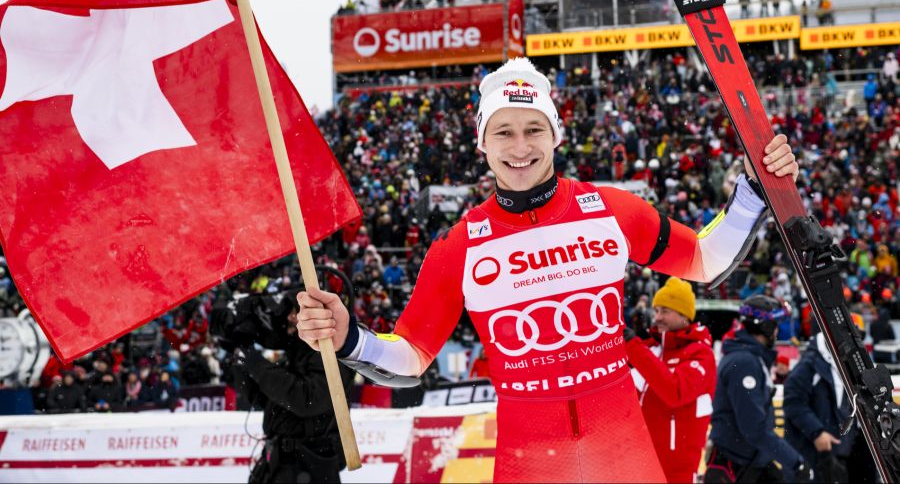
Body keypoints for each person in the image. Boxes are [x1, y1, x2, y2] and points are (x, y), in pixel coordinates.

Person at [298, 58, 800, 483]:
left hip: (624, 451)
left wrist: (757, 190)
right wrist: (349, 339)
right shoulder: (458, 248)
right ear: (483, 143)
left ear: (555, 134)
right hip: (530, 460)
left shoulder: (610, 210)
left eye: (534, 129)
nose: (521, 148)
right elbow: (411, 357)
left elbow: (706, 261)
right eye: (505, 132)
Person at [230, 291, 355, 484]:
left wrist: (257, 364)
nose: (289, 317)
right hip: (279, 462)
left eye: (296, 311)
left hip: (309, 464)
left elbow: (308, 400)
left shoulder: (331, 353)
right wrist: (241, 362)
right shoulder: (295, 350)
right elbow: (267, 401)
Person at [706, 295, 814, 482]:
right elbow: (754, 427)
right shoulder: (744, 362)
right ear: (766, 327)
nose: (777, 332)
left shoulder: (751, 358)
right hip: (736, 466)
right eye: (775, 325)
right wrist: (795, 462)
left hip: (752, 462)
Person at [624, 276, 716, 483]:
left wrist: (633, 347)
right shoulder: (651, 348)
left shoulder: (701, 354)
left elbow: (675, 392)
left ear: (684, 316)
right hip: (639, 465)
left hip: (676, 473)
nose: (657, 318)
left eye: (664, 311)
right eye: (656, 311)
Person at [783, 327, 876, 483]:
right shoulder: (810, 364)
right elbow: (793, 402)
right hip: (815, 452)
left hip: (840, 451)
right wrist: (817, 432)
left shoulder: (847, 365)